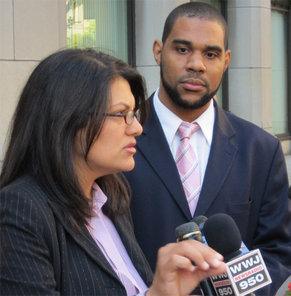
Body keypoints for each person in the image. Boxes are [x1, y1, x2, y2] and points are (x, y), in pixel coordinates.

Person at [0, 48, 226, 295]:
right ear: (68, 120)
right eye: (121, 114)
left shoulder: (111, 197)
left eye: (134, 114)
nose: (137, 128)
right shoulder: (19, 210)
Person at [124, 2, 291, 295]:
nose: (196, 64)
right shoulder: (119, 141)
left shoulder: (261, 151)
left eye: (211, 54)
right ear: (158, 51)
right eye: (182, 49)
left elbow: (279, 251)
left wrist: (230, 288)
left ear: (226, 61)